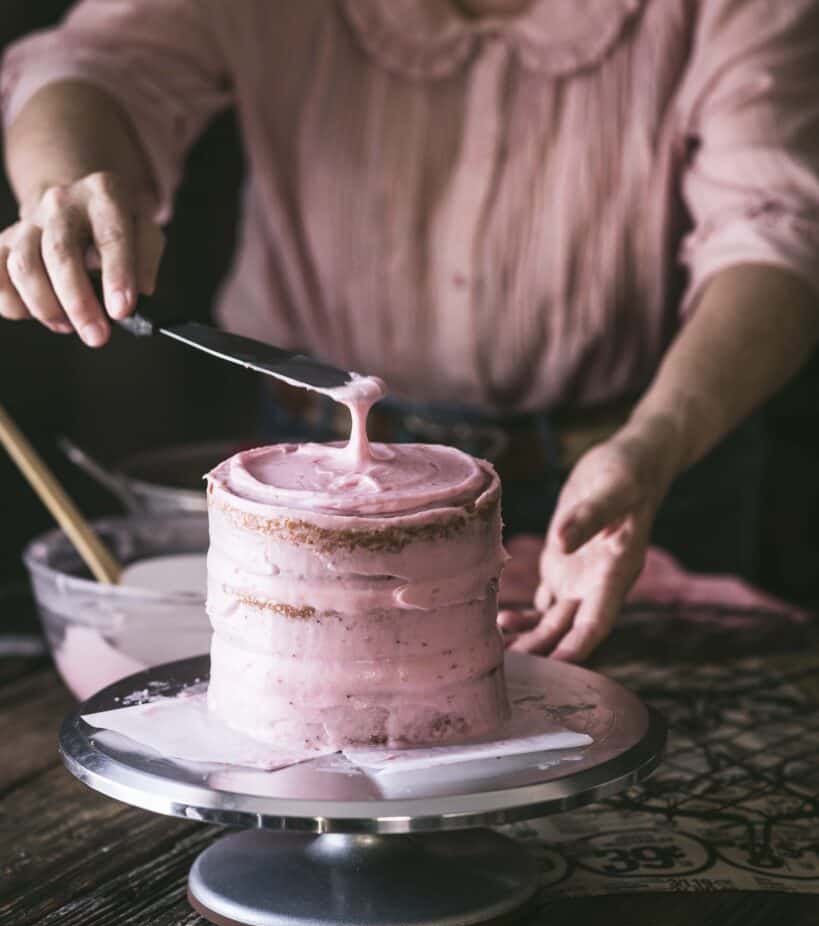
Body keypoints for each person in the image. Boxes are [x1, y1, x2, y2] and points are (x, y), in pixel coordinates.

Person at [1, 0, 818, 662]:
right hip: (316, 481)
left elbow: (776, 233)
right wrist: (66, 188)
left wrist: (655, 442)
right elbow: (92, 66)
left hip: (634, 480)